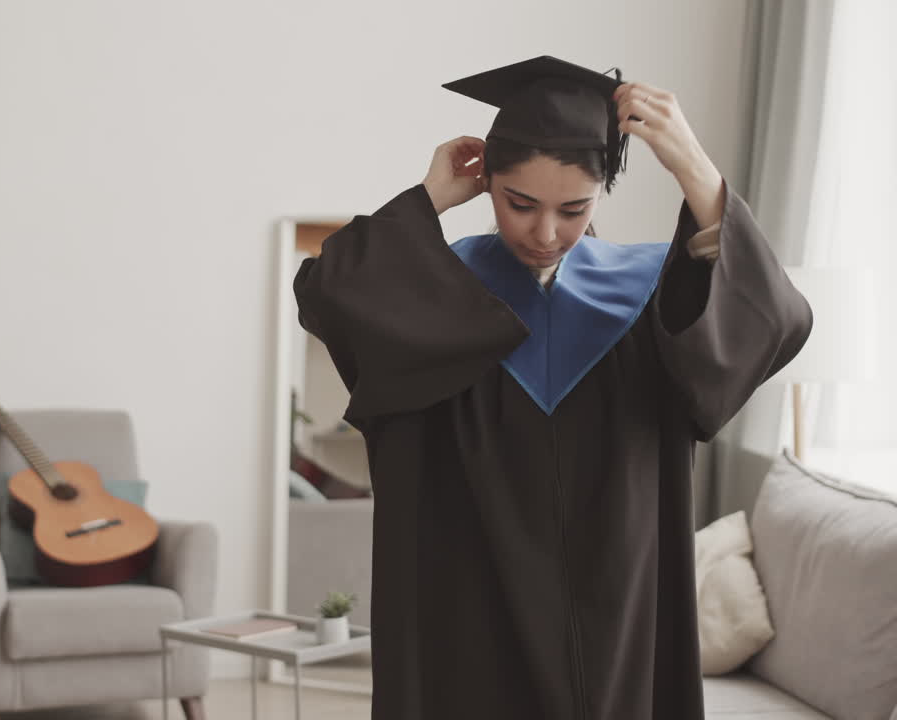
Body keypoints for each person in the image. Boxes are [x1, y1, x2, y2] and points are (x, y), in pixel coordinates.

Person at [292, 56, 813, 720]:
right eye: (519, 203)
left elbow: (776, 320)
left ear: (602, 195)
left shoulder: (651, 299)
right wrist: (430, 195)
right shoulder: (442, 296)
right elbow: (328, 293)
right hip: (469, 604)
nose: (544, 233)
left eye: (573, 209)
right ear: (489, 186)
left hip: (617, 611)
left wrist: (697, 172)